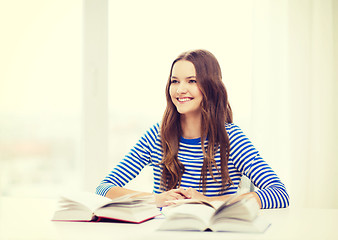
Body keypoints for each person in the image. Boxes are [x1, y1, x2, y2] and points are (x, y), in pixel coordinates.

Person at [96, 49, 289, 209]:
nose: (180, 89)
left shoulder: (231, 139)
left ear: (211, 87)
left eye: (192, 81)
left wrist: (208, 201)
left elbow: (279, 194)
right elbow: (104, 188)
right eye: (175, 81)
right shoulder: (157, 136)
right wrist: (156, 199)